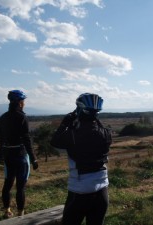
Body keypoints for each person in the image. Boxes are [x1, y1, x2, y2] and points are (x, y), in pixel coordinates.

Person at [50, 93, 112, 225]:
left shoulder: (71, 135)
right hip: (102, 192)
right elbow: (96, 127)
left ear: (80, 110)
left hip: (79, 192)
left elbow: (54, 141)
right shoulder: (107, 134)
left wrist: (65, 123)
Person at [0, 90, 38, 218]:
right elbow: (26, 139)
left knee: (7, 184)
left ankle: (7, 211)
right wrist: (33, 158)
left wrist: (0, 154)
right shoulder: (22, 117)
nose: (24, 104)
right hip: (21, 155)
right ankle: (21, 214)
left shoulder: (3, 117)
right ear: (20, 103)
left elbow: (1, 138)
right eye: (23, 101)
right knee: (20, 187)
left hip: (8, 155)